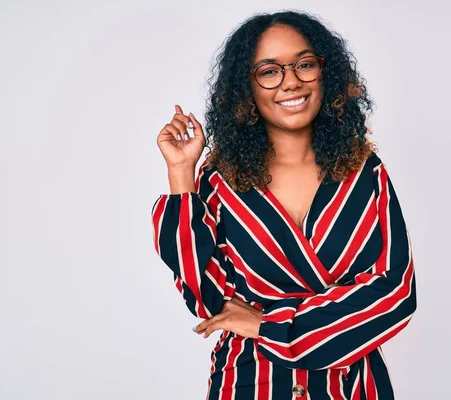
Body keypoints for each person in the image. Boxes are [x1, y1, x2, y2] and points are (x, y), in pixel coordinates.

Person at [151, 10, 416, 399]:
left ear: (327, 74)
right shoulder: (218, 178)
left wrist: (268, 325)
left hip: (350, 386)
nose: (291, 81)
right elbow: (207, 298)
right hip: (249, 382)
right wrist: (180, 173)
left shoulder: (365, 172)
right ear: (247, 88)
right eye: (270, 71)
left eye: (304, 65)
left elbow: (395, 293)